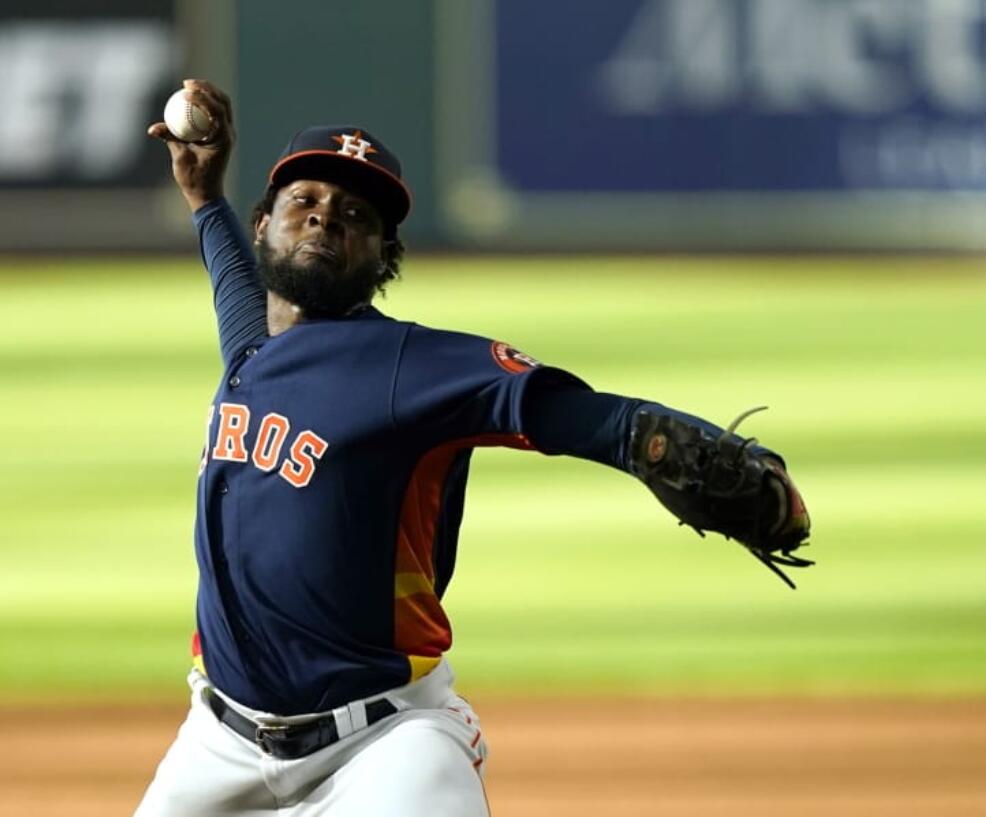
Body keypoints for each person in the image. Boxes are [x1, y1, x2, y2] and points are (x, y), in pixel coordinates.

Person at [133, 80, 812, 817]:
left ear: (384, 257)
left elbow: (572, 414)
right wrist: (205, 197)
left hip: (384, 747)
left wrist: (663, 444)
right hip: (219, 744)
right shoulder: (254, 352)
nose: (327, 217)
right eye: (306, 202)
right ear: (264, 222)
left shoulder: (409, 364)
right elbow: (235, 283)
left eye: (356, 215)